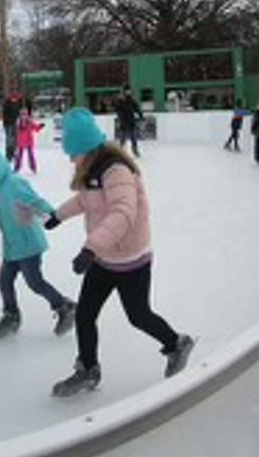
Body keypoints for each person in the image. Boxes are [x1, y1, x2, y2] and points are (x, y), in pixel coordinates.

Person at [45, 108, 194, 397]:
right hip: (104, 257)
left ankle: (177, 343)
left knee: (138, 315)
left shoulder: (117, 172)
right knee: (85, 315)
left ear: (87, 148)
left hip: (130, 260)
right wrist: (58, 216)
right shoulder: (93, 171)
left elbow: (123, 213)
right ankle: (88, 369)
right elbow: (86, 200)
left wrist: (90, 248)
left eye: (72, 152)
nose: (70, 158)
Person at [0, 147, 75, 340]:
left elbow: (36, 201)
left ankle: (64, 306)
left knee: (35, 282)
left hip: (29, 244)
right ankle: (11, 316)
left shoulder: (15, 184)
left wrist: (54, 215)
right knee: (4, 281)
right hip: (11, 247)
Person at [114, 86, 143, 157]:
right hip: (124, 122)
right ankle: (120, 152)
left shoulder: (131, 100)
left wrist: (141, 115)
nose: (129, 92)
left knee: (133, 138)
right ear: (124, 91)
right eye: (127, 91)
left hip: (131, 121)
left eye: (129, 91)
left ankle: (135, 150)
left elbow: (136, 108)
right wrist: (121, 120)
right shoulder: (120, 100)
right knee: (122, 139)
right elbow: (118, 111)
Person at [14, 107, 44, 173]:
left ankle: (33, 167)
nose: (24, 116)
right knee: (19, 155)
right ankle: (17, 167)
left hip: (28, 141)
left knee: (30, 155)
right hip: (21, 141)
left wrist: (40, 126)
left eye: (25, 114)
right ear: (20, 115)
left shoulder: (29, 121)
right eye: (22, 114)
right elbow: (15, 132)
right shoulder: (18, 122)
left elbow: (35, 128)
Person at [1, 91, 26, 162]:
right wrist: (12, 120)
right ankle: (8, 154)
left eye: (16, 98)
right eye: (14, 98)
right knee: (9, 140)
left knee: (15, 139)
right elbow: (5, 115)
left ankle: (13, 153)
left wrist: (19, 119)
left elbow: (20, 112)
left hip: (15, 124)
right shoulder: (7, 104)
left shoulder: (18, 103)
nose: (15, 100)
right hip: (8, 124)